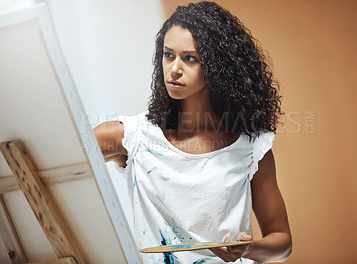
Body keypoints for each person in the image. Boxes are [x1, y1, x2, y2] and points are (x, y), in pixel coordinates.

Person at [94, 1, 291, 263]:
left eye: (190, 58)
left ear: (218, 68)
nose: (174, 68)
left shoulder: (250, 148)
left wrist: (247, 249)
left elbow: (282, 242)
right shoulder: (130, 137)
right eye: (168, 55)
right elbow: (59, 167)